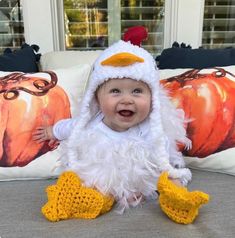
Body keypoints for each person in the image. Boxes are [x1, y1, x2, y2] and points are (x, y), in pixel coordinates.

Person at [33, 40, 209, 224]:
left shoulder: (151, 130)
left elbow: (162, 155)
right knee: (92, 185)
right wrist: (51, 131)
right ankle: (85, 201)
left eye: (137, 91)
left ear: (152, 99)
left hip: (142, 178)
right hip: (105, 179)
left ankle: (178, 199)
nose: (127, 100)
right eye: (115, 91)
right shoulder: (91, 123)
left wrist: (147, 185)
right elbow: (68, 127)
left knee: (169, 178)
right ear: (97, 99)